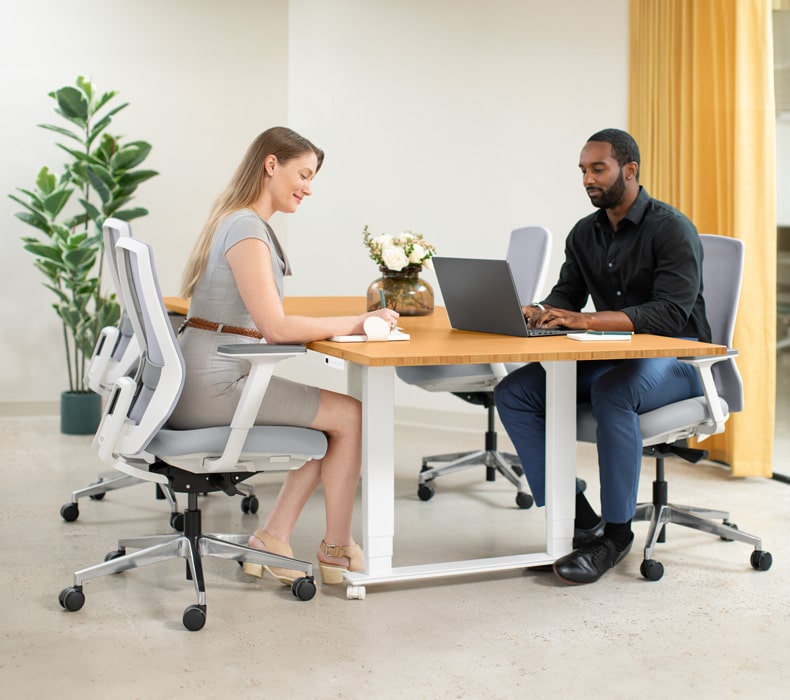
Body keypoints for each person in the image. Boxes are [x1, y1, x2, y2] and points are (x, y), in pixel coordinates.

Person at [170, 126, 400, 586]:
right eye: (304, 174)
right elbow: (275, 328)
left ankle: (274, 537)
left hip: (200, 378)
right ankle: (336, 548)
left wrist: (347, 322)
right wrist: (358, 322)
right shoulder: (246, 228)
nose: (308, 188)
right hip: (214, 386)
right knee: (351, 417)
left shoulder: (237, 220)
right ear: (271, 164)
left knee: (326, 426)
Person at [494, 128, 710, 585]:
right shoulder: (585, 233)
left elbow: (670, 315)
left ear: (630, 170)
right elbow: (567, 296)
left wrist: (587, 321)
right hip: (615, 355)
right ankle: (579, 518)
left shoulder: (671, 229)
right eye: (583, 170)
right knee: (515, 392)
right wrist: (537, 311)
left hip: (680, 359)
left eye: (598, 169)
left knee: (614, 392)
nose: (587, 179)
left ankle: (615, 536)